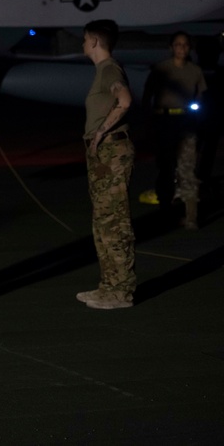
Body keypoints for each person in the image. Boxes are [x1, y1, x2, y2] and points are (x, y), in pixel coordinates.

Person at [76, 19, 136, 310]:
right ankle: (108, 286)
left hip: (112, 149)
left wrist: (101, 131)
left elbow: (124, 100)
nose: (83, 44)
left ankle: (121, 291)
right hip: (103, 153)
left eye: (85, 39)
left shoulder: (110, 69)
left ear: (95, 42)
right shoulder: (102, 71)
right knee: (102, 222)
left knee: (114, 222)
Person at [140, 31, 207, 229]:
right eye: (178, 44)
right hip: (164, 121)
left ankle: (191, 216)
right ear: (171, 48)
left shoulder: (195, 71)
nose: (182, 48)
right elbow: (147, 94)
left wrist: (198, 118)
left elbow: (202, 95)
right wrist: (149, 119)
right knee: (165, 168)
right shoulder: (161, 69)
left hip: (185, 120)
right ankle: (165, 211)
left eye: (185, 45)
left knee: (187, 167)